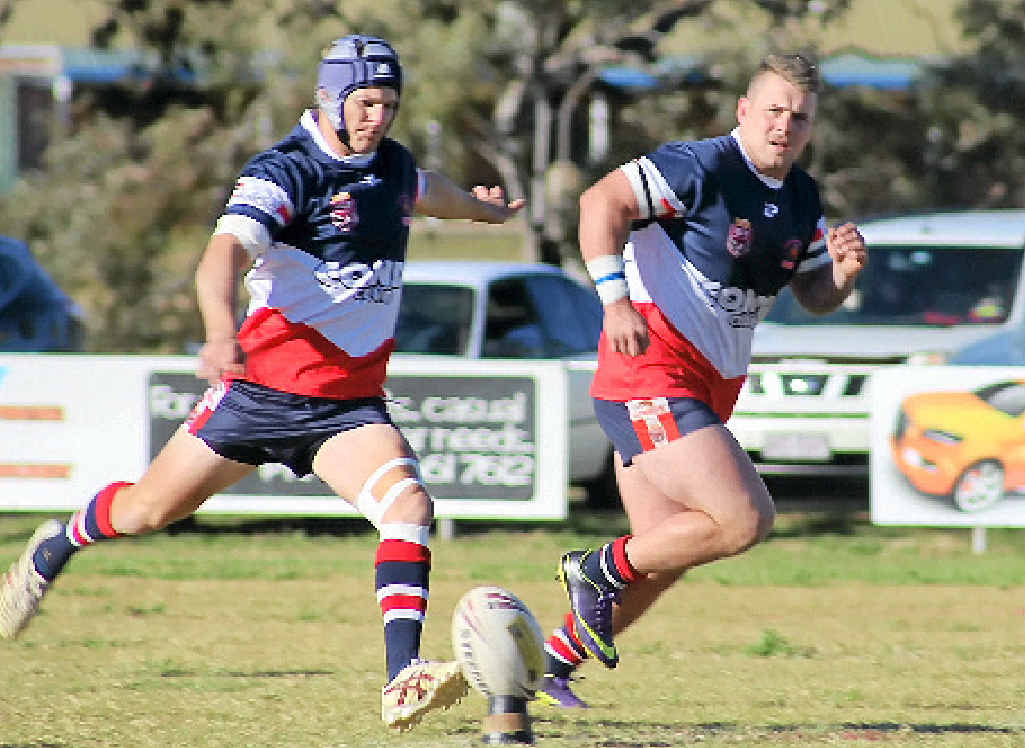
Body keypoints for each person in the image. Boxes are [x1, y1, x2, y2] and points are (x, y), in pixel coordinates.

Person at [0, 34, 523, 732]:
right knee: (148, 513)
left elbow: (431, 193)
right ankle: (57, 543)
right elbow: (220, 257)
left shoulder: (392, 166)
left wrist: (483, 211)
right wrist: (220, 333)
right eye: (366, 102)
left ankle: (402, 676)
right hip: (257, 394)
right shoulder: (284, 171)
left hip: (346, 407)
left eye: (390, 104)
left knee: (408, 508)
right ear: (330, 99)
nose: (379, 117)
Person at [536, 53, 867, 708]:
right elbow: (599, 200)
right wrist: (614, 298)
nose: (784, 126)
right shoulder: (701, 166)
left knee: (665, 555)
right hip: (649, 373)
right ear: (744, 111)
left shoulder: (800, 197)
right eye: (773, 110)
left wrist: (842, 276)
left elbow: (808, 293)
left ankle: (542, 668)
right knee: (744, 519)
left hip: (704, 387)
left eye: (798, 117)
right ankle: (593, 568)